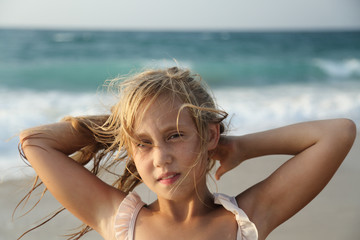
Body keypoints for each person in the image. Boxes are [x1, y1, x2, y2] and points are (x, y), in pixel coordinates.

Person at [19, 67, 356, 240]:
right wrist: (124, 124)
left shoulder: (245, 219)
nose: (161, 157)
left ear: (208, 135)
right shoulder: (121, 220)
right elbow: (34, 141)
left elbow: (338, 133)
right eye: (144, 143)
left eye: (175, 135)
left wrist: (239, 146)